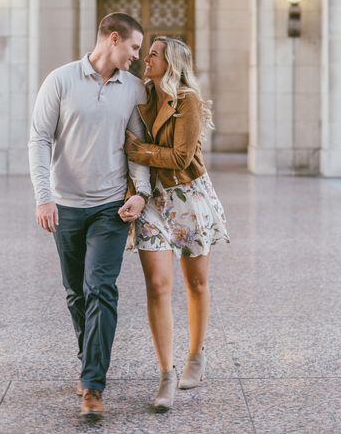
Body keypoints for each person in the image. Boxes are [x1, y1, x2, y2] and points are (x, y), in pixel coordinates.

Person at [28, 13, 152, 416]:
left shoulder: (133, 89)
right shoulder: (60, 80)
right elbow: (39, 138)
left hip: (110, 208)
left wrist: (142, 194)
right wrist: (43, 197)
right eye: (134, 47)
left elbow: (137, 148)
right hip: (65, 206)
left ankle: (93, 386)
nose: (137, 55)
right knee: (76, 292)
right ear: (113, 39)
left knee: (101, 288)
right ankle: (90, 361)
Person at [122, 36, 229, 412]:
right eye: (147, 52)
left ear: (171, 63)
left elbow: (182, 157)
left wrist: (139, 150)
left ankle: (195, 356)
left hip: (186, 198)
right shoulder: (139, 97)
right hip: (152, 201)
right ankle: (165, 374)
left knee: (196, 282)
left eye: (153, 54)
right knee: (157, 285)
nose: (146, 58)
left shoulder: (189, 101)